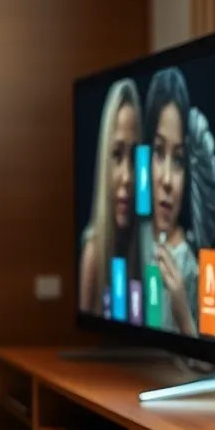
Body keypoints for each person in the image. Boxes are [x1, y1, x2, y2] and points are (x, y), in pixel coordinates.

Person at [143, 68, 215, 346]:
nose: (166, 180)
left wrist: (182, 310)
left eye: (178, 160)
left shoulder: (201, 263)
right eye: (158, 152)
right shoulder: (130, 240)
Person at [79, 78, 142, 315]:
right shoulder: (93, 254)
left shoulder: (148, 250)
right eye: (116, 155)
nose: (127, 176)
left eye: (135, 157)